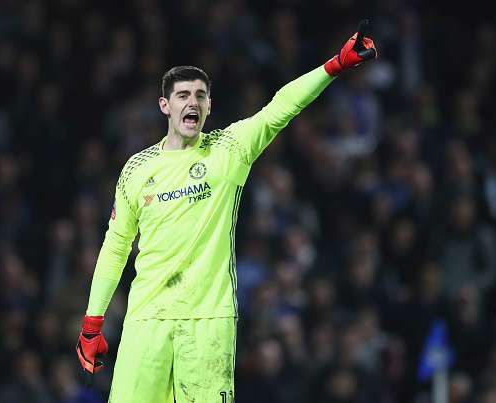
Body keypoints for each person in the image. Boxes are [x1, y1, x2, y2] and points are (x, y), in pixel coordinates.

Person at [76, 20, 378, 403]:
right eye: (183, 95)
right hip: (145, 322)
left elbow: (279, 109)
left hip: (208, 323)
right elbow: (116, 247)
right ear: (164, 106)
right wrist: (92, 322)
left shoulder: (228, 150)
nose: (192, 103)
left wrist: (334, 66)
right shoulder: (137, 169)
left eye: (200, 96)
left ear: (209, 106)